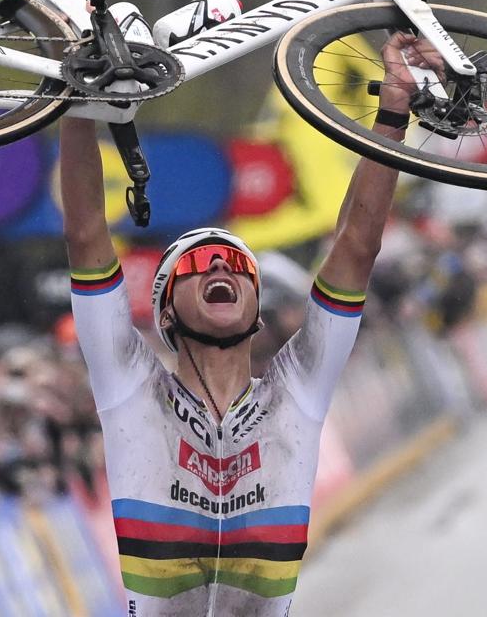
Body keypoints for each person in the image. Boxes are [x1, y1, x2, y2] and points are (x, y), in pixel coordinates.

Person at [60, 31, 442, 614]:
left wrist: (391, 113)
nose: (220, 264)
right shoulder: (130, 389)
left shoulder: (297, 394)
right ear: (164, 312)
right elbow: (87, 233)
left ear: (255, 306)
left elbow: (355, 245)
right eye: (195, 265)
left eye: (238, 265)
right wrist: (79, 103)